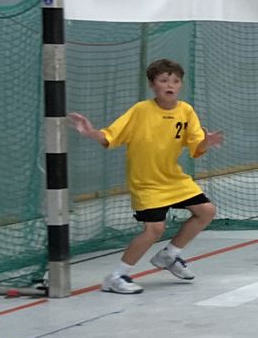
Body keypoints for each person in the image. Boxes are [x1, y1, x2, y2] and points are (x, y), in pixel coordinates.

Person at [69, 58, 226, 295]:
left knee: (207, 211)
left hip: (173, 178)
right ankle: (115, 277)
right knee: (154, 229)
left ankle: (169, 255)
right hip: (146, 182)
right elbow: (111, 136)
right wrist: (91, 132)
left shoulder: (186, 111)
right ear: (152, 84)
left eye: (175, 81)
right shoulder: (140, 111)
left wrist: (206, 141)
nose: (170, 85)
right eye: (163, 80)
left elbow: (196, 147)